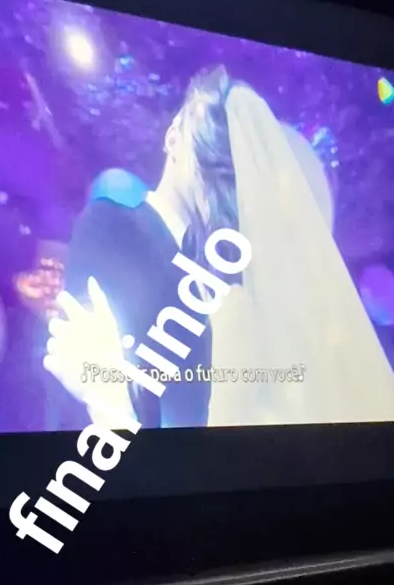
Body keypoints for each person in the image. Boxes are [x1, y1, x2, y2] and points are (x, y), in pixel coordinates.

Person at [45, 65, 394, 429]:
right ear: (173, 137)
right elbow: (87, 367)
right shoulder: (113, 226)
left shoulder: (226, 282)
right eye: (215, 143)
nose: (224, 165)